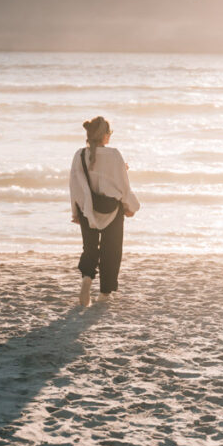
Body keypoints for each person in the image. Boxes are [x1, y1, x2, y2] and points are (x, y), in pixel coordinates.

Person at [69, 116, 140, 306]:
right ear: (105, 136)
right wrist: (130, 207)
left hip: (87, 209)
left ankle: (86, 279)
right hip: (112, 209)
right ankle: (105, 293)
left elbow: (75, 185)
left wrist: (76, 212)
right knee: (112, 250)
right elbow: (122, 186)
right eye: (110, 133)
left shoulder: (79, 155)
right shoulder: (115, 155)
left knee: (90, 247)